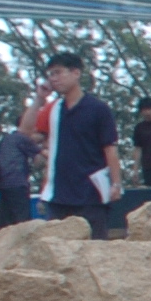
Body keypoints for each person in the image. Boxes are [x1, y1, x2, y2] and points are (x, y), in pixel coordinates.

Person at [39, 50, 120, 237]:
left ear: (76, 73)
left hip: (91, 193)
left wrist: (116, 184)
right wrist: (39, 99)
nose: (54, 79)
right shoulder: (53, 109)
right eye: (50, 74)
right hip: (58, 195)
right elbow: (27, 133)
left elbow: (110, 149)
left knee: (94, 249)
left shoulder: (99, 109)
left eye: (58, 72)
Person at [0, 108, 41, 229]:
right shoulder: (22, 139)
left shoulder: (7, 139)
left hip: (3, 183)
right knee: (23, 221)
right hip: (18, 183)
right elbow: (41, 159)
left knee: (4, 222)